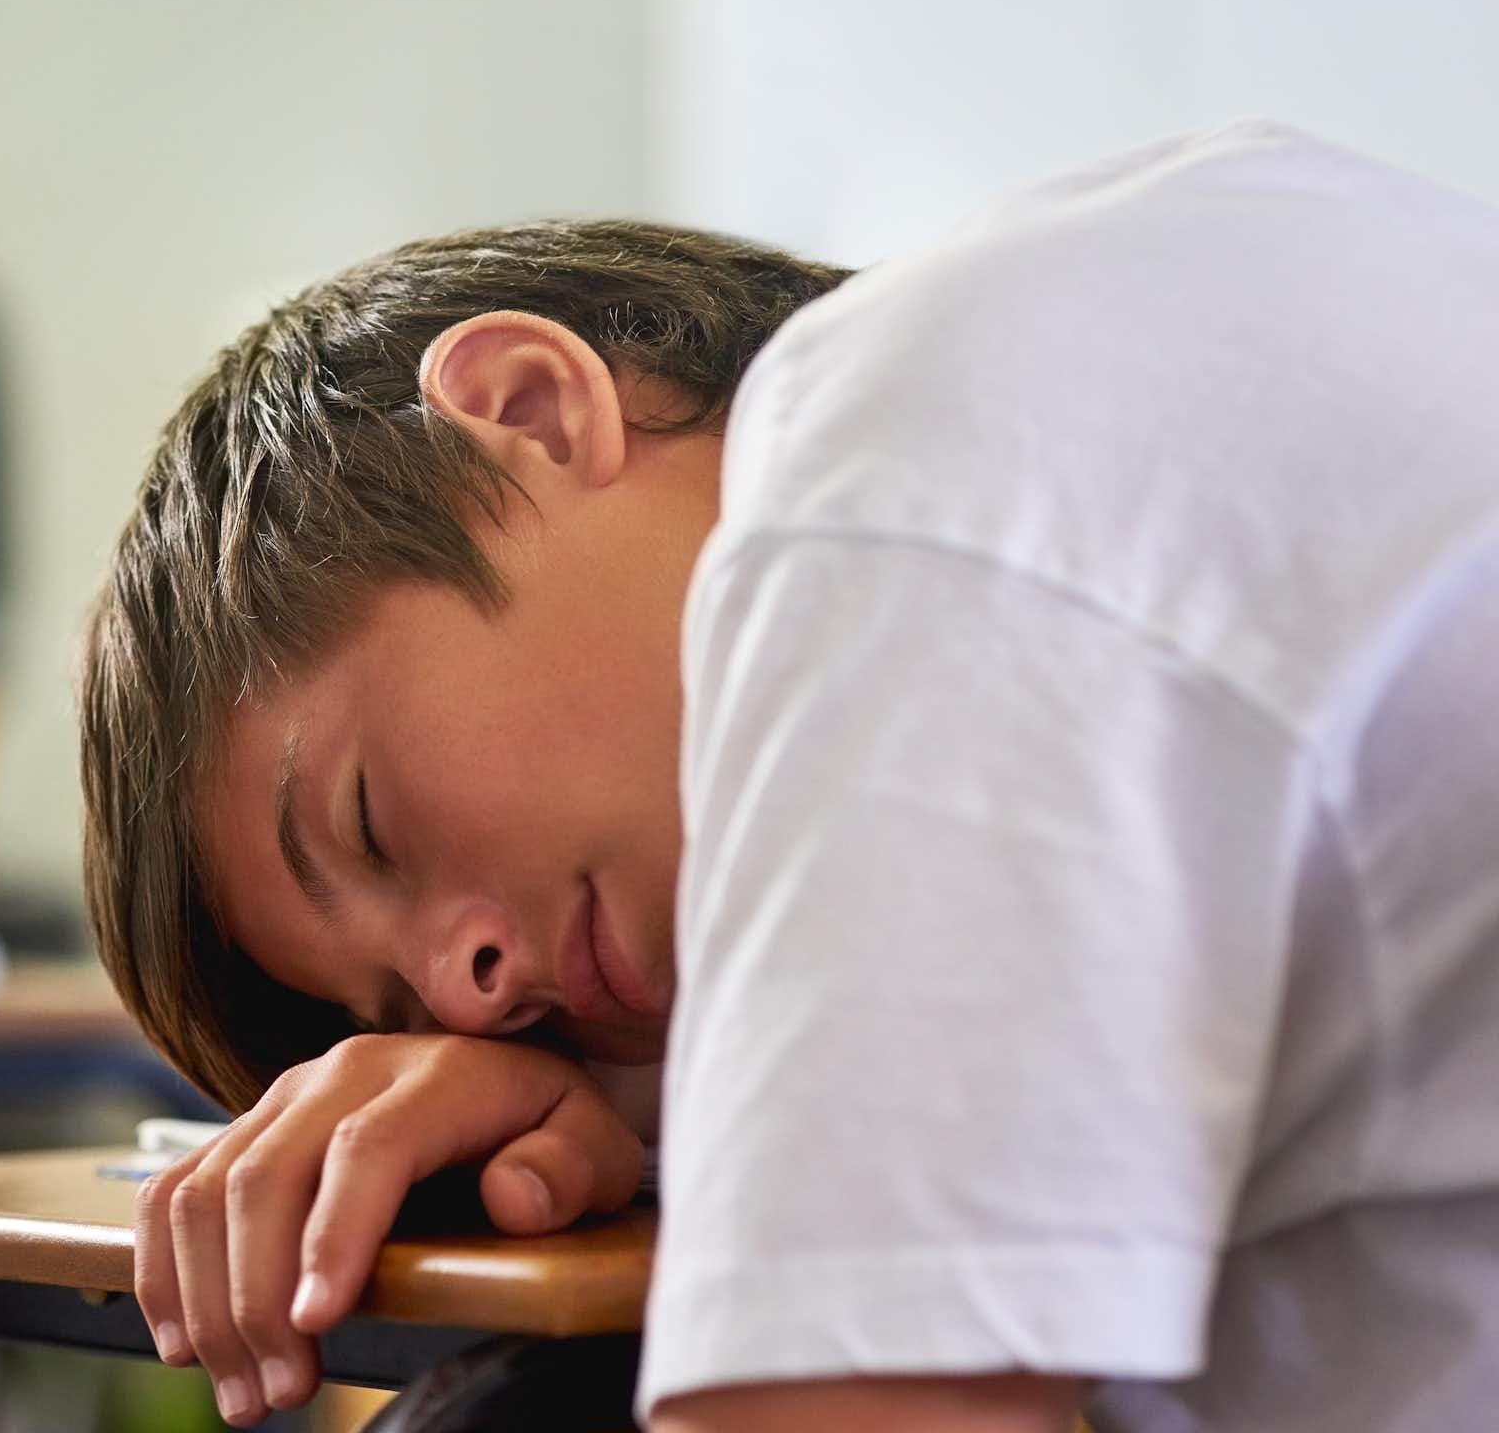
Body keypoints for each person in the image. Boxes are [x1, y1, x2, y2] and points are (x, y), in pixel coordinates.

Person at [78, 120, 1499, 1432]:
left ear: (528, 408)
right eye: (404, 1009)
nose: (476, 989)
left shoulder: (892, 484)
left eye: (370, 826)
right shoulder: (1139, 309)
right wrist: (613, 1142)